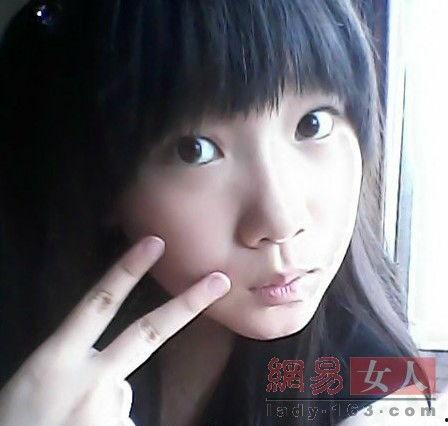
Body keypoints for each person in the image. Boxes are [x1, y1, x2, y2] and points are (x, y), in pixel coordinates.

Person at [0, 0, 436, 425]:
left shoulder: (381, 391)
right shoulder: (25, 339)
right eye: (195, 151)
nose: (281, 221)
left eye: (313, 124)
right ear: (102, 183)